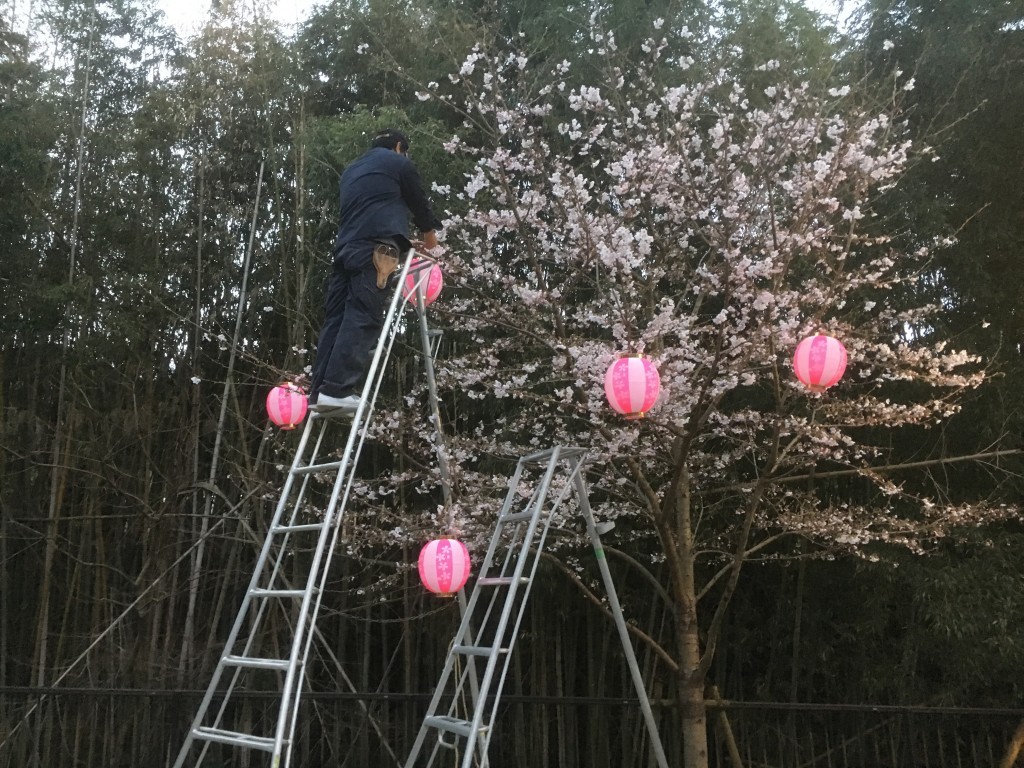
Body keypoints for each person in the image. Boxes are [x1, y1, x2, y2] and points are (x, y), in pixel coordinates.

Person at [310, 129, 442, 414]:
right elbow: (419, 203)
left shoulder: (351, 171)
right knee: (363, 314)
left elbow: (371, 211)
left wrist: (404, 242)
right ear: (398, 147)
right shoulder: (399, 163)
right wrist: (431, 240)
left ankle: (319, 391)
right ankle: (337, 390)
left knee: (336, 319)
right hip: (375, 253)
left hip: (346, 250)